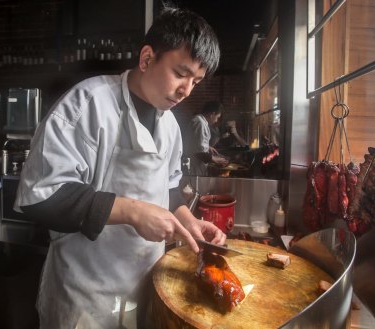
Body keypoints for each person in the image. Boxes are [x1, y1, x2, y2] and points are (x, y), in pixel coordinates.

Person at [13, 5, 226, 329]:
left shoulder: (169, 126)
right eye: (180, 74)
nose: (186, 90)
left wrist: (187, 221)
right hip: (84, 296)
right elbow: (41, 196)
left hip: (145, 284)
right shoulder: (88, 104)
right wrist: (132, 212)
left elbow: (166, 187)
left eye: (195, 81)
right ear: (146, 59)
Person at [184, 101, 230, 176]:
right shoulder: (200, 123)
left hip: (197, 167)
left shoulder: (200, 121)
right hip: (195, 168)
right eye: (217, 117)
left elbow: (194, 143)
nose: (216, 121)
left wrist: (208, 147)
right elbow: (200, 153)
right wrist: (216, 159)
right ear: (212, 114)